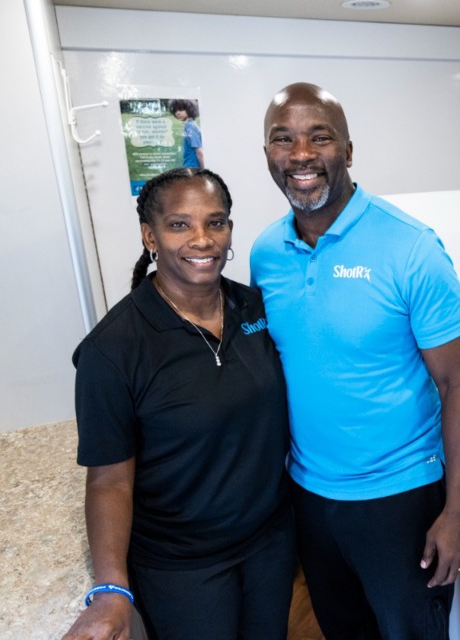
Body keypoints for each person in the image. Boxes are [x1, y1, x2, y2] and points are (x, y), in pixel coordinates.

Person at [251, 82, 460, 639]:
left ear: (348, 152)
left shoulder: (410, 248)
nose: (301, 154)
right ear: (268, 156)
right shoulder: (265, 254)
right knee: (342, 629)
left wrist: (457, 514)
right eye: (284, 139)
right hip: (310, 496)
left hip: (400, 498)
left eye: (320, 137)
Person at [63, 168, 295, 640]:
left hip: (270, 541)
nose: (202, 239)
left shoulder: (256, 309)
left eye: (216, 222)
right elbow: (109, 482)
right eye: (179, 225)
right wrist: (110, 587)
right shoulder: (113, 350)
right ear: (150, 236)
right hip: (183, 567)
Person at [168, 98, 204, 169]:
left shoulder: (191, 127)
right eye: (175, 110)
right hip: (189, 166)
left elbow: (199, 152)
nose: (177, 113)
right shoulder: (188, 126)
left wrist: (203, 170)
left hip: (193, 167)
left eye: (181, 109)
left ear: (189, 109)